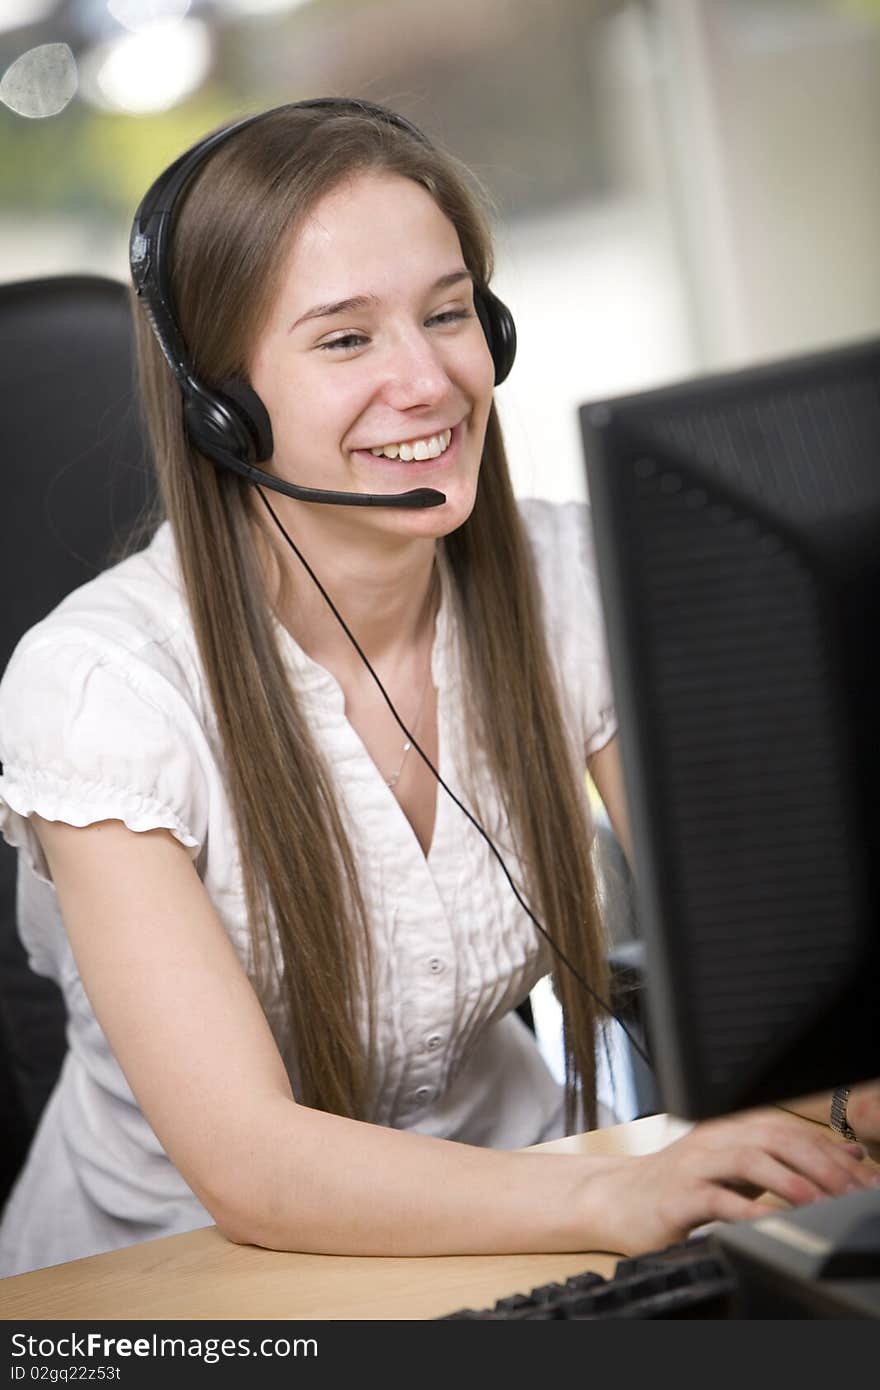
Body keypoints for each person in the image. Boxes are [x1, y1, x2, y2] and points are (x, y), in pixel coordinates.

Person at [0, 98, 877, 1280]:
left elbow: (774, 971)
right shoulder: (103, 687)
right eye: (345, 338)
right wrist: (622, 1190)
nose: (428, 380)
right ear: (223, 404)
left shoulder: (572, 580)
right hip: (186, 1272)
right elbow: (251, 1162)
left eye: (449, 312)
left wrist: (834, 1107)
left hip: (536, 1227)